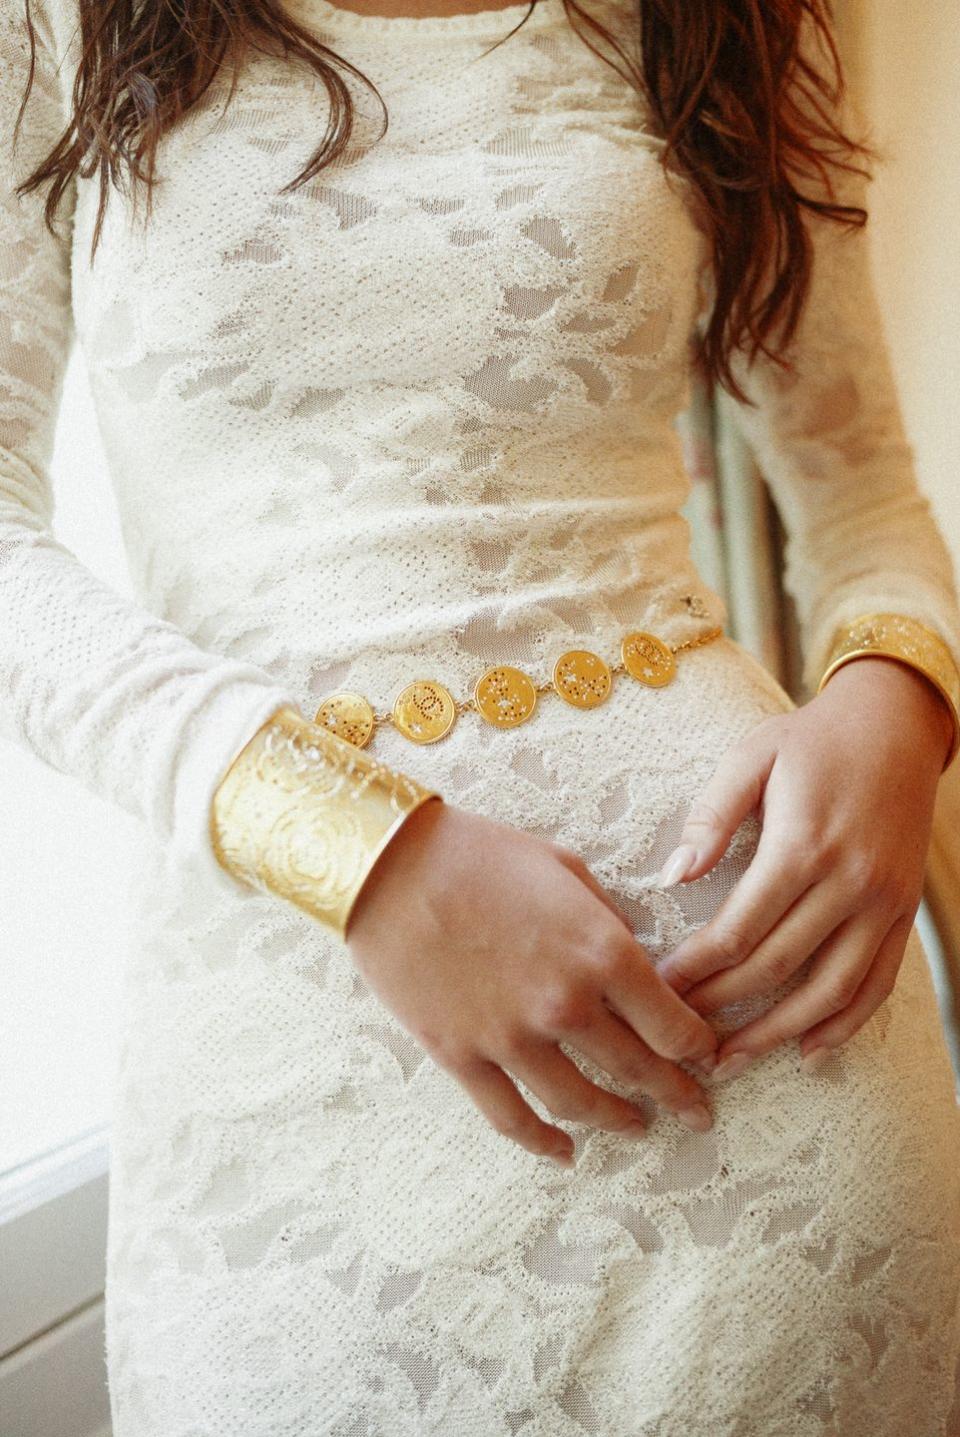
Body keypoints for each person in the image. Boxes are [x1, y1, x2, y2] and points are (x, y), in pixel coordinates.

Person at [3, 0, 960, 1430]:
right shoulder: (56, 21)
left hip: (770, 1066)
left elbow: (865, 502)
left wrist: (898, 701)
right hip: (290, 1081)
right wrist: (358, 847)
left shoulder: (722, 21)